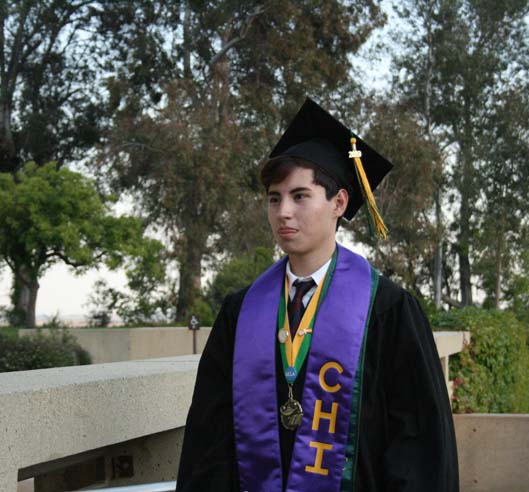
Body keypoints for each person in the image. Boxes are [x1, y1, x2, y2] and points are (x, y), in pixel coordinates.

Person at [176, 98, 459, 491]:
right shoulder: (241, 313)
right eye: (274, 199)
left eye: (300, 196)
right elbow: (210, 441)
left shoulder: (388, 310)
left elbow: (419, 447)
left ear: (338, 203)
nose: (283, 212)